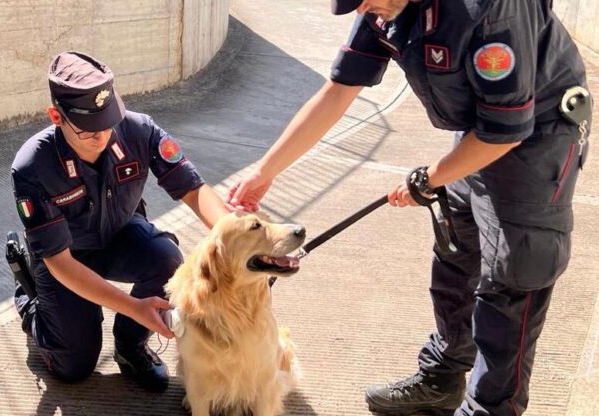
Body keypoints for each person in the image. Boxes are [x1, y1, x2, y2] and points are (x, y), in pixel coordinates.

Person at [227, 0, 592, 415]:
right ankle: (442, 377)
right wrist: (265, 170)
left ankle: (490, 408)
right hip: (480, 127)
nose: (363, 8)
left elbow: (505, 133)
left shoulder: (491, 10)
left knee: (513, 276)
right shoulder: (381, 8)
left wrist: (427, 178)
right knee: (456, 248)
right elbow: (338, 91)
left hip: (536, 136)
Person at [11, 51, 229, 392]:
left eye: (109, 121)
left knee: (167, 259)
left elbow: (193, 189)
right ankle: (31, 303)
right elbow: (60, 261)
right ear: (56, 116)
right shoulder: (32, 166)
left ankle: (130, 348)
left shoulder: (139, 130)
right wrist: (132, 306)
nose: (103, 136)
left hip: (119, 235)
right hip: (65, 257)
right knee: (73, 366)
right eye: (88, 130)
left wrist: (236, 238)